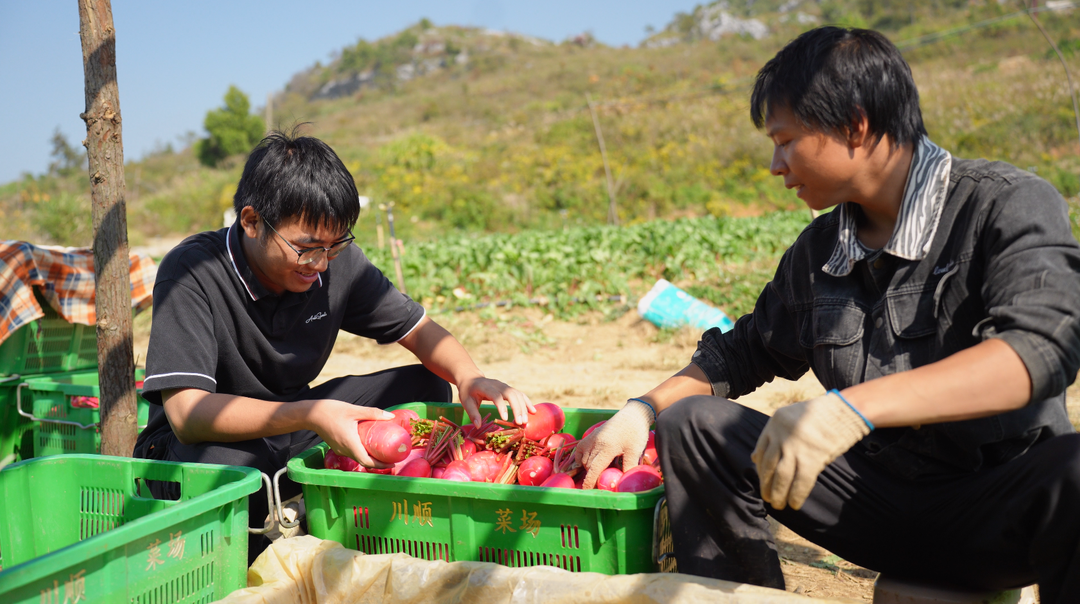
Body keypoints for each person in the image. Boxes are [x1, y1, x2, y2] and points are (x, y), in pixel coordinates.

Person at [576, 26, 1080, 600]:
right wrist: (640, 411)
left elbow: (1040, 351)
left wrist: (849, 411)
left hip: (992, 509)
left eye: (785, 139)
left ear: (855, 127)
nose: (775, 163)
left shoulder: (1002, 204)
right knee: (692, 426)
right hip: (875, 507)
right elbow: (741, 354)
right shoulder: (818, 252)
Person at [134, 130, 533, 558]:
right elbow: (186, 414)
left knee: (425, 387)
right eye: (306, 249)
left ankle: (339, 506)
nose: (321, 264)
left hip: (293, 424)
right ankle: (254, 540)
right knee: (232, 471)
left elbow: (418, 329)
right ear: (250, 222)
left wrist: (468, 376)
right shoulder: (194, 270)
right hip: (195, 447)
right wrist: (314, 413)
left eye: (335, 245)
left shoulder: (334, 265)